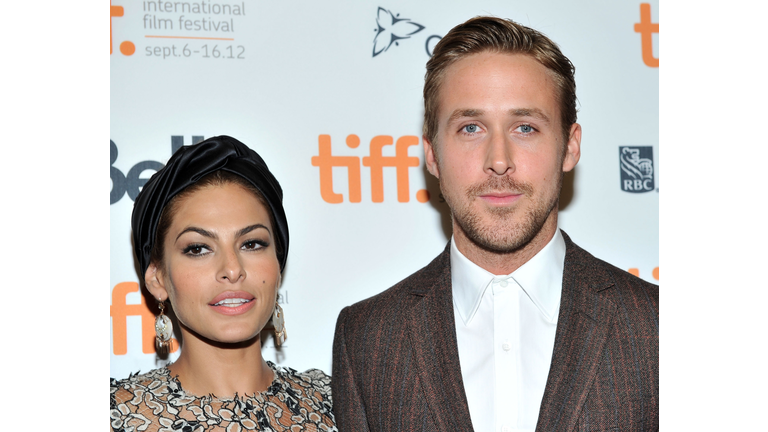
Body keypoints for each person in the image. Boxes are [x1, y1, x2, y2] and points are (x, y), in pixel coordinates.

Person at [331, 17, 658, 432]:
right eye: (471, 128)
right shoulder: (367, 338)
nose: (499, 160)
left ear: (570, 147)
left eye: (525, 128)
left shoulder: (657, 326)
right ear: (432, 154)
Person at [111, 136, 337, 431]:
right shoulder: (113, 416)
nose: (232, 269)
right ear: (157, 278)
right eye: (198, 249)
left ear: (278, 266)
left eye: (252, 244)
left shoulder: (338, 403)